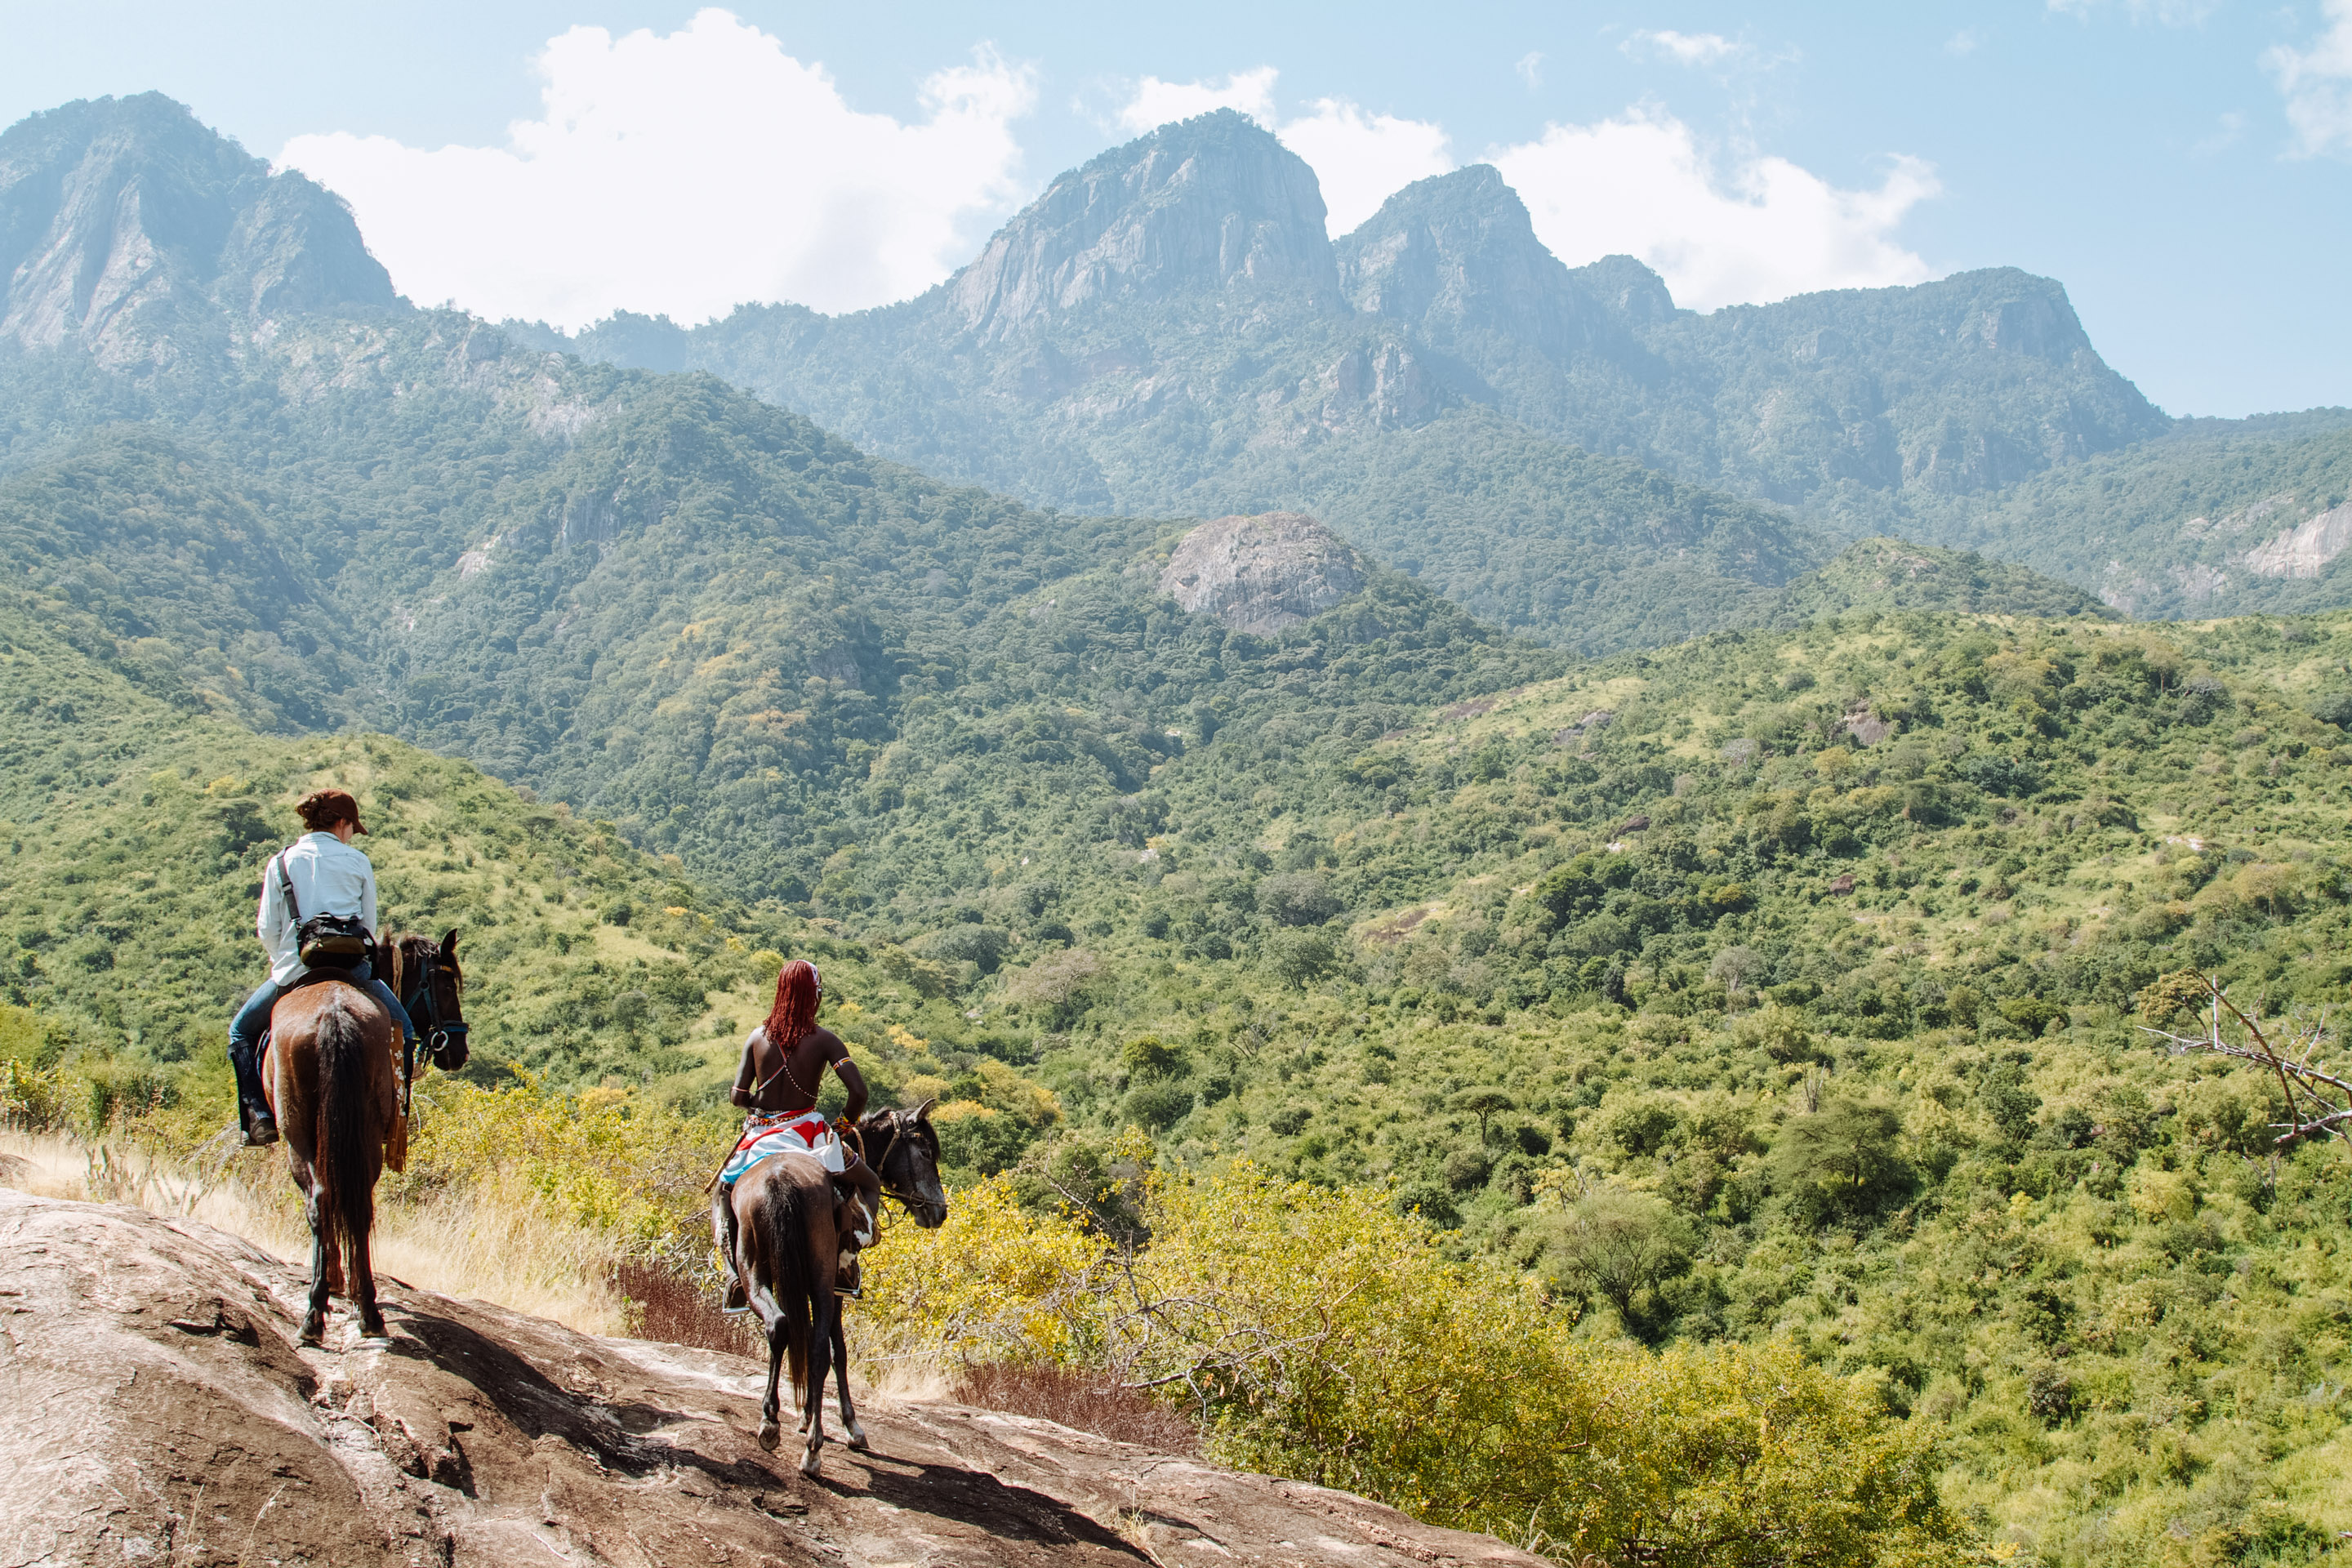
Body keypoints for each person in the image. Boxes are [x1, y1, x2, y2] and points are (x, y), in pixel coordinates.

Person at [228, 790, 418, 1147]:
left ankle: (259, 1118)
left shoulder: (281, 862)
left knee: (240, 1032)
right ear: (342, 822)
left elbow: (267, 929)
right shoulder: (357, 861)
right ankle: (396, 1116)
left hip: (295, 970)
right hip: (353, 969)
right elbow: (369, 926)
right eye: (352, 828)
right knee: (405, 1031)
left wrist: (285, 963)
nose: (352, 835)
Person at [711, 959, 884, 1307]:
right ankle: (844, 1261)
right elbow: (859, 1093)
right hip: (809, 1134)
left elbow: (738, 1097)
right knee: (870, 1183)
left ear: (782, 992)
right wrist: (841, 1128)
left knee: (722, 1192)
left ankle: (735, 1275)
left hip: (761, 1135)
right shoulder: (826, 1040)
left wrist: (763, 1108)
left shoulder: (757, 1038)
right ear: (813, 996)